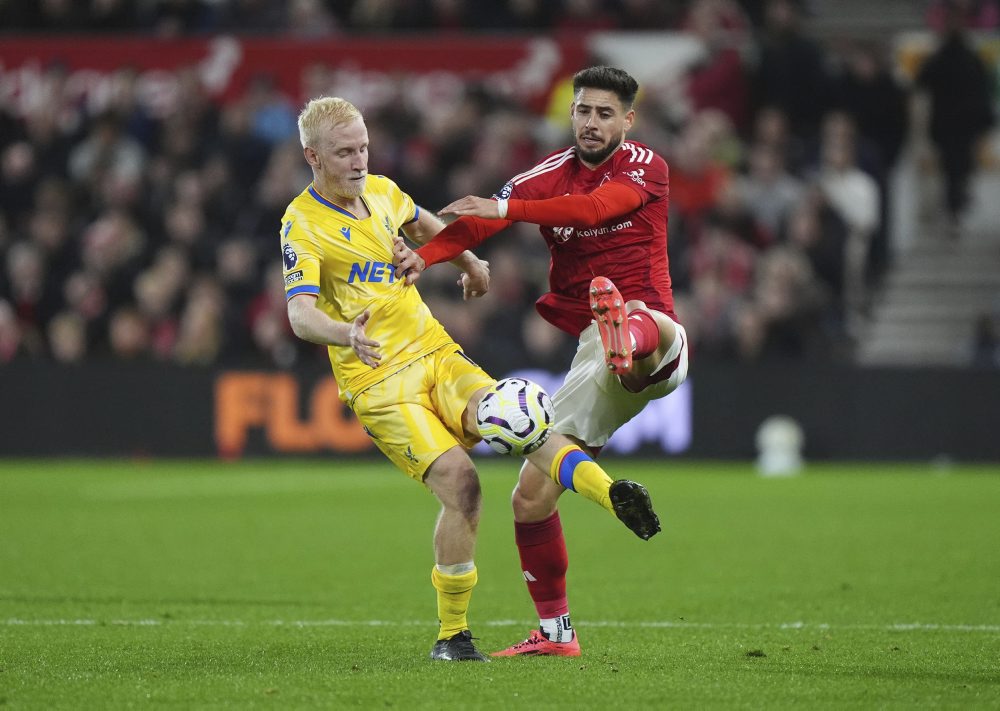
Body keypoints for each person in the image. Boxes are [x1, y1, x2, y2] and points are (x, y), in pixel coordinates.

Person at [280, 96, 660, 662]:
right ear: (313, 156)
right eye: (344, 152)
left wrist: (467, 262)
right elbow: (299, 313)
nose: (360, 160)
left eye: (363, 146)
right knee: (463, 486)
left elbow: (424, 220)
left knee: (519, 417)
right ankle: (452, 636)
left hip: (436, 351)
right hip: (380, 379)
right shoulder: (301, 223)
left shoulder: (382, 191)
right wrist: (344, 335)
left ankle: (613, 495)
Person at [392, 66, 689, 657]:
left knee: (638, 315)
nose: (591, 122)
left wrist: (506, 209)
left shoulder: (645, 168)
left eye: (605, 113)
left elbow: (594, 210)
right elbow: (478, 220)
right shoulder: (546, 176)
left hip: (656, 332)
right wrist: (428, 256)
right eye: (583, 110)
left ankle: (626, 344)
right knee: (528, 498)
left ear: (628, 121)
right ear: (571, 113)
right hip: (592, 352)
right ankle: (557, 632)